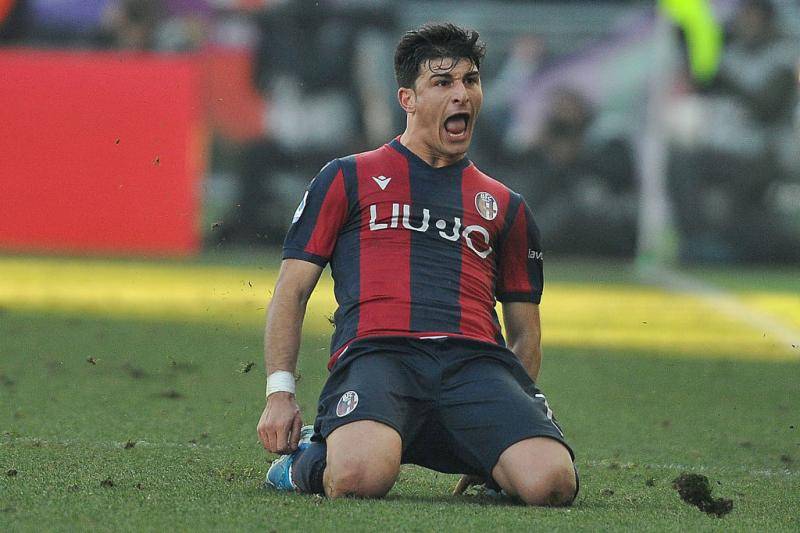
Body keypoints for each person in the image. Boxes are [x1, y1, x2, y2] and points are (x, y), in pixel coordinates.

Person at [256, 22, 578, 506]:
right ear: (407, 98)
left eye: (470, 80)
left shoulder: (506, 205)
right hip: (379, 356)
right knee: (359, 480)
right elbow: (292, 290)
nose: (461, 94)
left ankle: (488, 455)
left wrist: (503, 428)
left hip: (474, 365)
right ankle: (306, 459)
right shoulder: (346, 177)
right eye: (442, 82)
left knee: (551, 484)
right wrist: (279, 392)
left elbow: (524, 333)